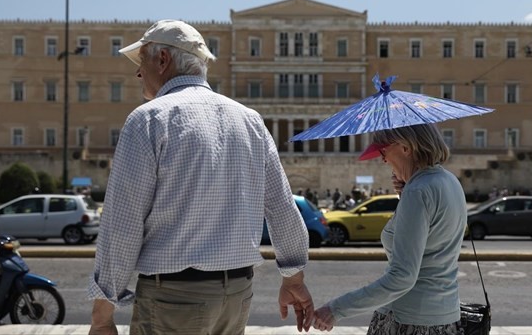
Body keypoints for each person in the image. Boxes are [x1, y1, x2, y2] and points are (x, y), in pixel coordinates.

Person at [87, 19, 314, 335]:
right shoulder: (250, 121)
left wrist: (102, 315)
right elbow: (282, 208)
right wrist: (293, 278)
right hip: (236, 295)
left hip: (173, 299)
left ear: (163, 60)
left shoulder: (148, 119)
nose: (138, 73)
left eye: (142, 62)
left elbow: (122, 225)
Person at [313, 124, 467, 334]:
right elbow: (434, 241)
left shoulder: (419, 191)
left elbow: (402, 276)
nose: (383, 159)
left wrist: (335, 310)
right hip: (445, 314)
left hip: (410, 318)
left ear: (406, 147)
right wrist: (406, 192)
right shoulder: (449, 180)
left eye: (384, 150)